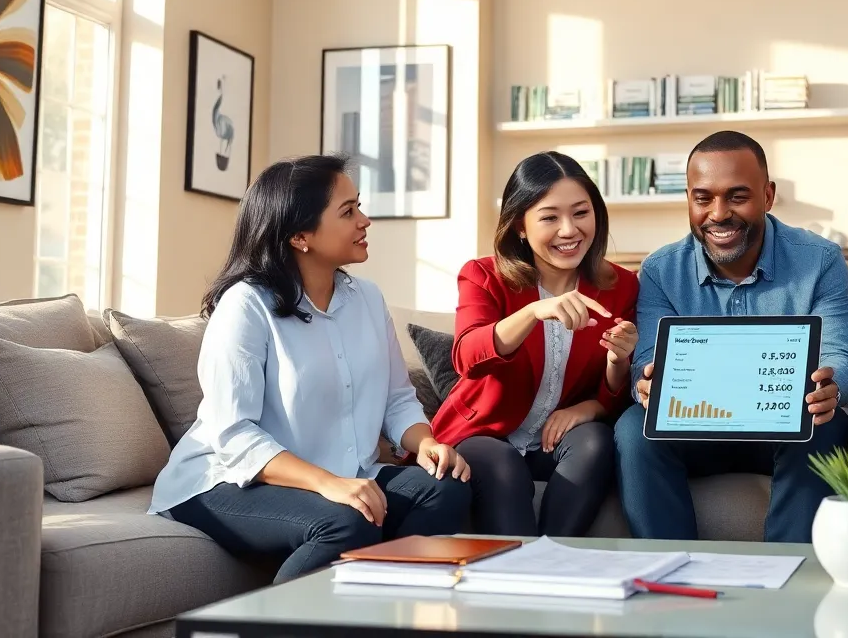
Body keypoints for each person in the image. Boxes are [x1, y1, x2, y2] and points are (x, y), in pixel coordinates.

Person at [148, 154, 472, 583]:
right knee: (345, 520)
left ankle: (379, 612)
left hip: (339, 475)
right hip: (223, 479)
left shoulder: (368, 300)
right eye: (348, 211)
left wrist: (425, 442)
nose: (365, 220)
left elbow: (397, 399)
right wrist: (327, 484)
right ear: (301, 236)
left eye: (359, 206)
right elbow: (233, 434)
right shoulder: (246, 305)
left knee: (445, 489)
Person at [613, 130, 848, 543]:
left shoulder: (821, 261)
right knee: (633, 428)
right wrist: (648, 380)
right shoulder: (660, 270)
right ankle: (667, 574)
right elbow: (648, 356)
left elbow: (840, 351)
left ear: (768, 196)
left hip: (785, 422)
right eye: (703, 197)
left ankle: (791, 576)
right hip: (694, 426)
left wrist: (831, 384)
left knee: (827, 425)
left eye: (737, 196)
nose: (718, 213)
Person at [430, 151, 639, 536]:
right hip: (484, 435)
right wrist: (533, 313)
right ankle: (516, 574)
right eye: (549, 217)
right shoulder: (483, 276)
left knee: (595, 441)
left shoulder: (620, 285)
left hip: (554, 440)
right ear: (520, 227)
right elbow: (467, 357)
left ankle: (554, 559)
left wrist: (598, 393)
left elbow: (619, 393)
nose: (569, 230)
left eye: (581, 213)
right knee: (500, 463)